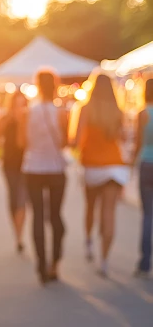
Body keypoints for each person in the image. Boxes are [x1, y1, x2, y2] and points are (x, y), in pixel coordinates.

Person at [74, 73, 128, 278]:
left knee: (90, 206)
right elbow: (122, 138)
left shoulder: (86, 109)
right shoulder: (117, 111)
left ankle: (88, 242)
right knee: (109, 213)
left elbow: (77, 140)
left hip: (92, 165)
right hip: (115, 166)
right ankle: (104, 260)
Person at [19, 70, 67, 285]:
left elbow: (22, 142)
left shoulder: (28, 112)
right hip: (56, 167)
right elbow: (66, 142)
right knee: (55, 216)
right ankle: (55, 263)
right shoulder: (61, 111)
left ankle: (40, 264)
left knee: (37, 215)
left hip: (33, 168)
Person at [0, 90, 28, 253]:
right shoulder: (4, 117)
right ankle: (16, 232)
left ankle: (20, 235)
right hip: (9, 163)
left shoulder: (28, 117)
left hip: (25, 163)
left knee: (22, 199)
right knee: (13, 198)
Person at [134, 78, 153, 276]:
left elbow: (138, 143)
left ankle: (145, 262)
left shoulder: (143, 114)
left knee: (148, 215)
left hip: (146, 164)